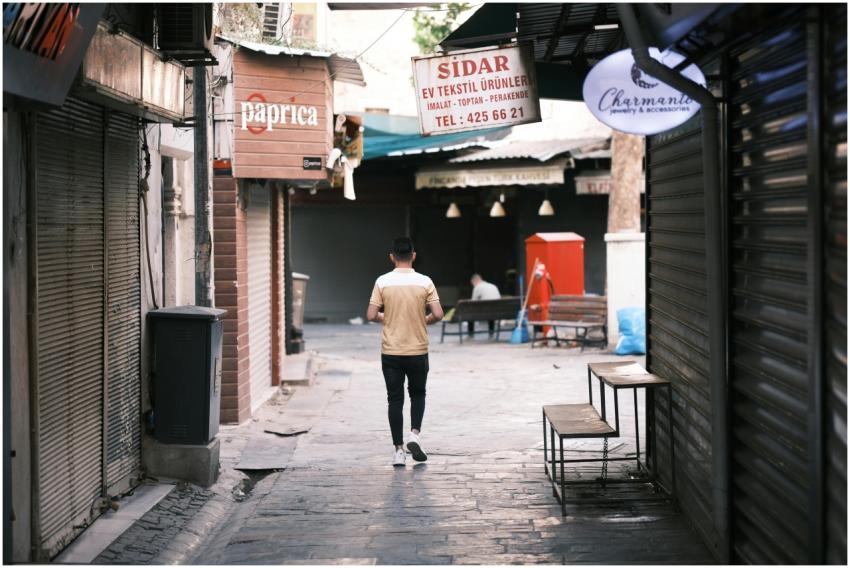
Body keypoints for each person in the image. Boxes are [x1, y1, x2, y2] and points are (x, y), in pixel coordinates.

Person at [367, 237, 444, 467]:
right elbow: (438, 314)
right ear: (414, 255)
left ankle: (398, 451)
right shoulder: (425, 282)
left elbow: (371, 315)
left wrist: (387, 317)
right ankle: (414, 435)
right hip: (417, 350)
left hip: (391, 351)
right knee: (418, 394)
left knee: (394, 399)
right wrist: (424, 320)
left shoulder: (382, 282)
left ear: (392, 257)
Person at [468, 274, 501, 338]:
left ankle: (470, 334)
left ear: (475, 280)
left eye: (472, 283)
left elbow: (473, 302)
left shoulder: (477, 287)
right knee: (491, 311)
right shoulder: (493, 286)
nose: (473, 285)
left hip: (484, 313)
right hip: (497, 312)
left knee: (469, 314)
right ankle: (491, 333)